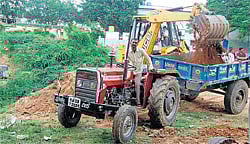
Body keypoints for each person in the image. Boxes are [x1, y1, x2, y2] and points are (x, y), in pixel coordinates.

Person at [128, 39, 154, 107]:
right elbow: (126, 61)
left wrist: (150, 67)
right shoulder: (128, 52)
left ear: (137, 44)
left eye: (136, 43)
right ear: (131, 43)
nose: (134, 44)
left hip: (138, 71)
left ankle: (138, 102)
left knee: (137, 84)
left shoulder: (141, 51)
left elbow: (148, 59)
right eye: (133, 42)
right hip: (130, 71)